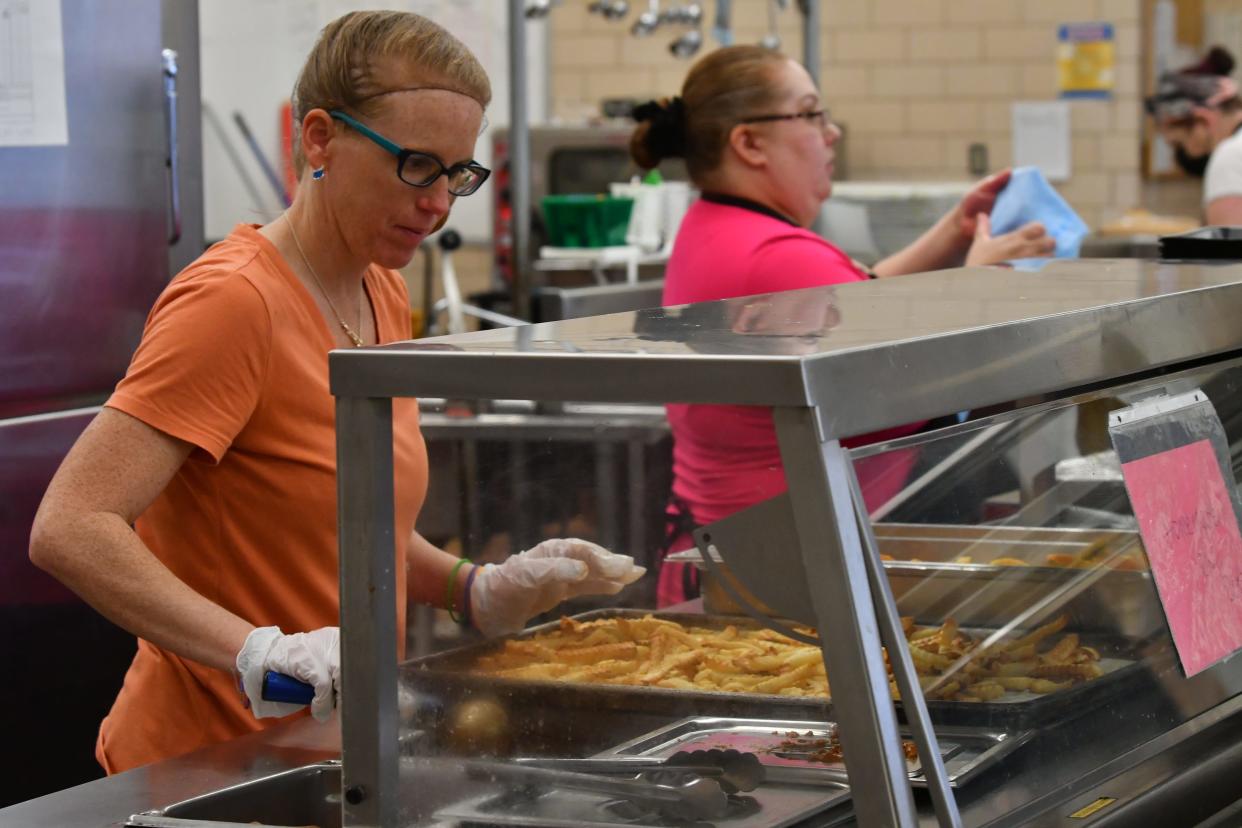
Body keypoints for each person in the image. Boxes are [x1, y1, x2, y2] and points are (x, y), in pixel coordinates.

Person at [28, 10, 643, 774]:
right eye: (417, 164)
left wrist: (476, 589)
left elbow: (342, 523)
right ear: (321, 138)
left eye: (458, 173)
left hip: (323, 752)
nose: (440, 203)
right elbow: (71, 525)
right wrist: (256, 651)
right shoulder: (235, 302)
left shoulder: (380, 292)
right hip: (204, 761)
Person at [630, 46, 1054, 605]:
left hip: (740, 560)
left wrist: (953, 232)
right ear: (749, 142)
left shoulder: (721, 226)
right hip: (792, 581)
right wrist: (982, 285)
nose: (831, 134)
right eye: (810, 114)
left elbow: (855, 302)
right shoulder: (779, 257)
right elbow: (916, 376)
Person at [1146, 46, 1242, 225]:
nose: (1180, 156)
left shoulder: (1230, 157)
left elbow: (1229, 249)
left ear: (1204, 120)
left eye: (1179, 144)